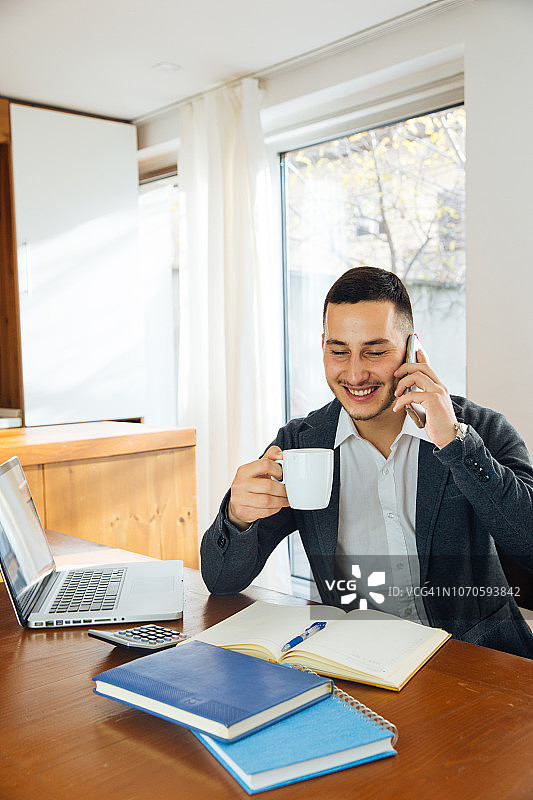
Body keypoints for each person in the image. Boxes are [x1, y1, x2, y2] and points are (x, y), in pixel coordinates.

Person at [201, 267, 533, 658]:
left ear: (411, 349)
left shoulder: (479, 430)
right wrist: (237, 518)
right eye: (339, 351)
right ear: (323, 347)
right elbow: (221, 581)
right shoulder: (300, 445)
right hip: (358, 663)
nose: (355, 374)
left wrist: (455, 444)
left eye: (375, 352)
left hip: (478, 663)